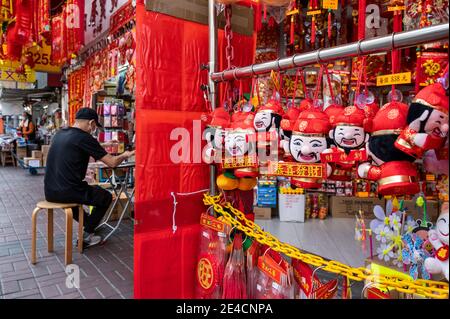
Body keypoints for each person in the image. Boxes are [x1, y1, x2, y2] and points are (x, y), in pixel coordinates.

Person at [44, 108, 135, 248]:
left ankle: (89, 226)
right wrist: (125, 155)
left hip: (50, 191)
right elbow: (112, 162)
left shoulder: (60, 134)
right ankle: (86, 237)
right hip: (69, 191)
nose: (94, 130)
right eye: (94, 127)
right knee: (105, 196)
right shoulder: (84, 137)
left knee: (85, 198)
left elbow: (82, 147)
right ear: (91, 123)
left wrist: (105, 145)